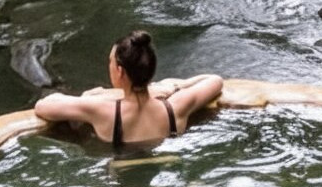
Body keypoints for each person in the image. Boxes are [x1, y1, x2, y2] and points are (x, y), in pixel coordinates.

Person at [34, 30, 223, 147]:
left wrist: (93, 96)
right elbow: (215, 80)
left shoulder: (101, 110)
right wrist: (174, 84)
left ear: (120, 71)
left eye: (110, 62)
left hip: (125, 186)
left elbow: (43, 106)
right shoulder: (175, 108)